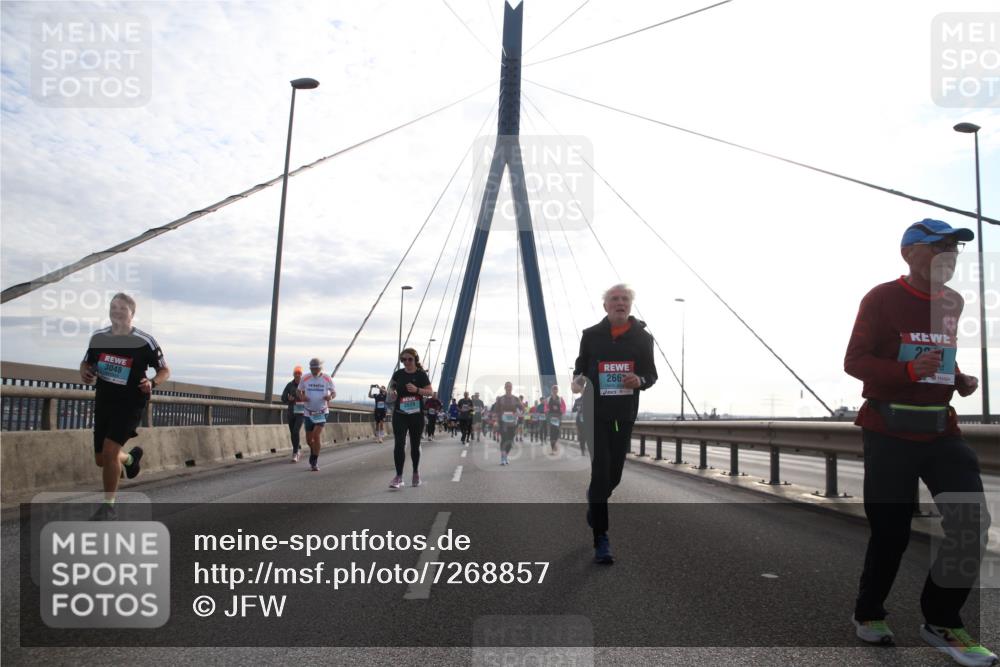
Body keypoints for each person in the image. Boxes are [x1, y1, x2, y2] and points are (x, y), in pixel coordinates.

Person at [844, 219, 995, 665]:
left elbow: (940, 351)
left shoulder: (953, 301)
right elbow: (855, 361)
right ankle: (869, 612)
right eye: (939, 246)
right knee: (890, 534)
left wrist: (958, 377)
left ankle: (943, 620)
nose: (949, 255)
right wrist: (910, 372)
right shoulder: (881, 297)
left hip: (940, 430)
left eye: (954, 248)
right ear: (910, 252)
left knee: (972, 523)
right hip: (889, 431)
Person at [572, 283, 656, 564]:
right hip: (595, 413)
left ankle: (595, 504)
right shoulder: (590, 336)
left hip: (623, 414)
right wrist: (577, 380)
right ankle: (601, 538)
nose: (619, 303)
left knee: (614, 475)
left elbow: (651, 374)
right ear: (605, 305)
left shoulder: (643, 338)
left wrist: (639, 381)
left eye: (624, 299)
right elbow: (581, 367)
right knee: (600, 472)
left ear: (630, 305)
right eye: (614, 299)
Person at [80, 293, 169, 520]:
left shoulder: (145, 340)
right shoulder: (98, 337)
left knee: (110, 451)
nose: (116, 311)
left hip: (130, 403)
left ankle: (108, 508)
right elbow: (86, 362)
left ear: (132, 314)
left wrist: (152, 382)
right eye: (113, 307)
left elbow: (164, 370)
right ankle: (130, 460)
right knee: (102, 459)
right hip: (104, 402)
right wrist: (85, 372)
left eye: (122, 308)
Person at [388, 348, 433, 489]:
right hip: (400, 414)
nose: (406, 362)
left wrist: (417, 390)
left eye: (409, 359)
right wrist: (392, 393)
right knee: (399, 444)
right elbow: (391, 388)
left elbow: (430, 392)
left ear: (415, 359)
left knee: (414, 444)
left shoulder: (421, 375)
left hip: (416, 415)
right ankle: (399, 476)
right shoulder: (398, 374)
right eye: (403, 360)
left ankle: (415, 473)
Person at [298, 358, 335, 471]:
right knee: (309, 440)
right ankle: (313, 451)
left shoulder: (327, 378)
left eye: (316, 368)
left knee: (316, 435)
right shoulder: (305, 378)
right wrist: (302, 397)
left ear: (320, 368)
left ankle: (314, 460)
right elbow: (298, 390)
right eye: (312, 369)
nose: (314, 371)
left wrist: (330, 397)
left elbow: (333, 392)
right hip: (308, 412)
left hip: (322, 411)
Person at [495, 382, 522, 465]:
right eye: (507, 386)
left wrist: (518, 413)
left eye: (510, 386)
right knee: (504, 439)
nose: (508, 388)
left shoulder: (516, 399)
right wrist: (496, 421)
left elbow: (521, 409)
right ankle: (503, 458)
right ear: (504, 388)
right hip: (503, 423)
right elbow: (496, 411)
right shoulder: (500, 399)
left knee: (510, 441)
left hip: (513, 423)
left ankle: (505, 456)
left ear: (512, 388)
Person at [282, 366, 305, 462]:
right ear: (293, 374)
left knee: (296, 431)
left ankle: (295, 453)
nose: (297, 375)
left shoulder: (305, 385)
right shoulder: (289, 385)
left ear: (301, 375)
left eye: (299, 373)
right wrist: (288, 399)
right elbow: (283, 398)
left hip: (301, 411)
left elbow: (309, 397)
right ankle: (298, 447)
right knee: (292, 433)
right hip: (291, 411)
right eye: (296, 373)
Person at [546, 385, 567, 453]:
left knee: (557, 431)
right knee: (552, 432)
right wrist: (547, 411)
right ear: (551, 390)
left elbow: (564, 407)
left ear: (557, 390)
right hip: (551, 416)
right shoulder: (548, 399)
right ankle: (553, 448)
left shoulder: (560, 398)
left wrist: (561, 410)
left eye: (556, 389)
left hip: (558, 416)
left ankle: (554, 444)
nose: (555, 390)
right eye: (554, 389)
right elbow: (546, 407)